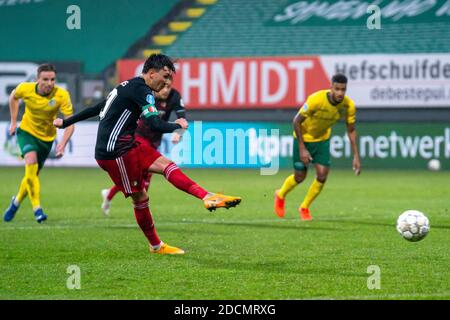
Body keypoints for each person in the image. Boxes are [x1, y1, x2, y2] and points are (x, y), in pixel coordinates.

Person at [53, 54, 241, 255]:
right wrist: (176, 126)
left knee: (166, 164)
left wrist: (66, 122)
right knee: (140, 197)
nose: (167, 82)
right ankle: (156, 246)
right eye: (165, 76)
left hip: (128, 143)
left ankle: (207, 196)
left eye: (170, 78)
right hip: (115, 152)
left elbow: (98, 107)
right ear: (151, 73)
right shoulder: (144, 91)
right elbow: (154, 123)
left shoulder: (128, 85)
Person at [274, 74, 361, 221]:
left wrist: (356, 156)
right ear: (331, 87)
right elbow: (296, 121)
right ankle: (281, 194)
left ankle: (304, 207)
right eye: (337, 89)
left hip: (322, 140)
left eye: (343, 90)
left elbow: (351, 130)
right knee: (300, 177)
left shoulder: (348, 106)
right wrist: (302, 148)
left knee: (322, 175)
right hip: (303, 138)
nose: (340, 93)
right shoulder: (316, 99)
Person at [100, 77, 186, 215]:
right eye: (163, 86)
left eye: (168, 87)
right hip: (138, 136)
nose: (165, 90)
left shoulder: (175, 96)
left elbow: (182, 117)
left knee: (135, 176)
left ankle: (111, 195)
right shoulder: (147, 94)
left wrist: (179, 132)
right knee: (141, 174)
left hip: (154, 140)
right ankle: (142, 206)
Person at [3, 63, 74, 223]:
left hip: (46, 139)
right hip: (27, 132)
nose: (49, 83)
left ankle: (15, 203)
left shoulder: (62, 95)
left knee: (31, 175)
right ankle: (37, 209)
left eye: (52, 79)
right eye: (45, 79)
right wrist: (14, 122)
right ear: (37, 79)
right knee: (30, 161)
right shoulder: (25, 88)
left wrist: (62, 143)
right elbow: (13, 97)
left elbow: (70, 123)